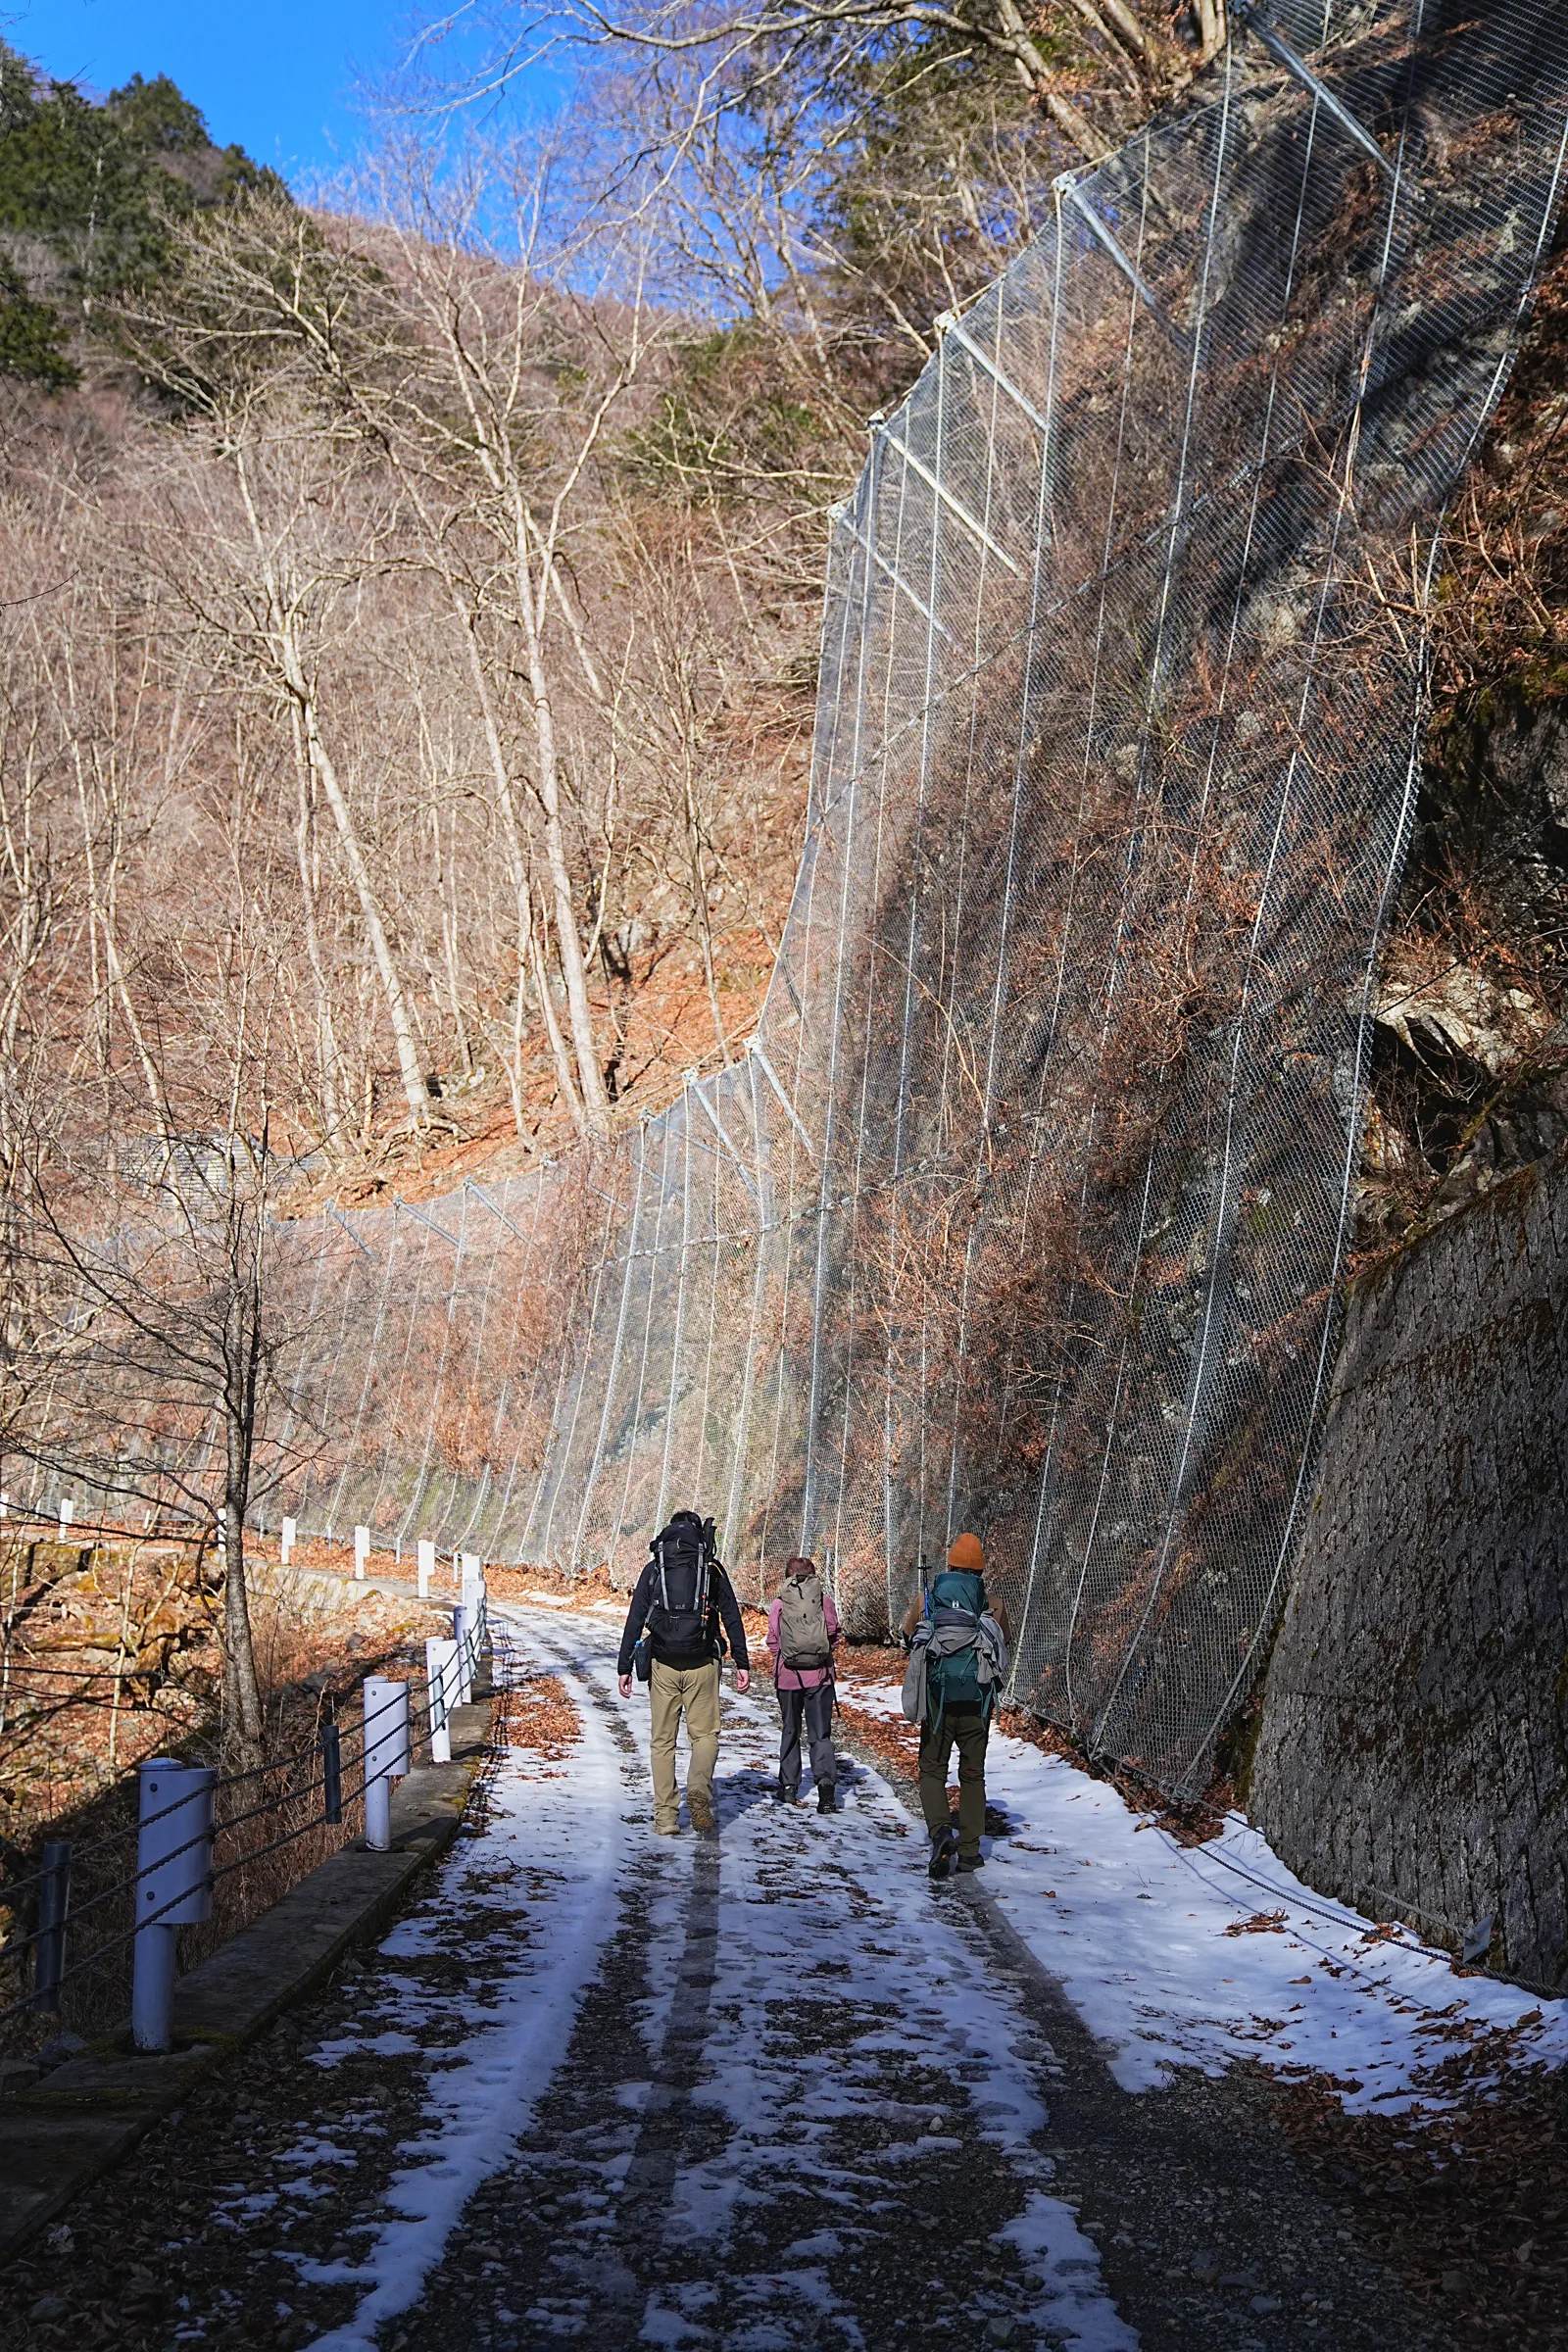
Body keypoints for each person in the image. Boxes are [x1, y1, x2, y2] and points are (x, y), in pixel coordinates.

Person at [616, 1509, 750, 1835]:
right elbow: (732, 1616)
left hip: (663, 1664)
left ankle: (665, 1818)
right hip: (703, 1663)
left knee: (662, 1742)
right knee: (704, 1735)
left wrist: (624, 1666)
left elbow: (635, 1619)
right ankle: (699, 1789)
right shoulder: (711, 1570)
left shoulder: (654, 1569)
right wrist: (742, 1662)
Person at [902, 1533, 1011, 1880]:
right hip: (976, 1701)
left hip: (937, 1702)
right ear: (981, 1569)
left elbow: (907, 1636)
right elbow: (1003, 1640)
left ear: (948, 1565)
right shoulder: (993, 1604)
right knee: (972, 1774)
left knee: (932, 1769)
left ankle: (940, 1832)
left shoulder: (928, 1600)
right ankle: (969, 1852)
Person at [766, 1555, 842, 1812]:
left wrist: (785, 1656)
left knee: (791, 1730)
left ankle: (789, 1787)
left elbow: (772, 1641)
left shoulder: (779, 1604)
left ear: (788, 1577)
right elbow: (833, 1633)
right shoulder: (824, 1601)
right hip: (819, 1678)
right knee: (820, 1733)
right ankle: (826, 1792)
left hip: (787, 1678)